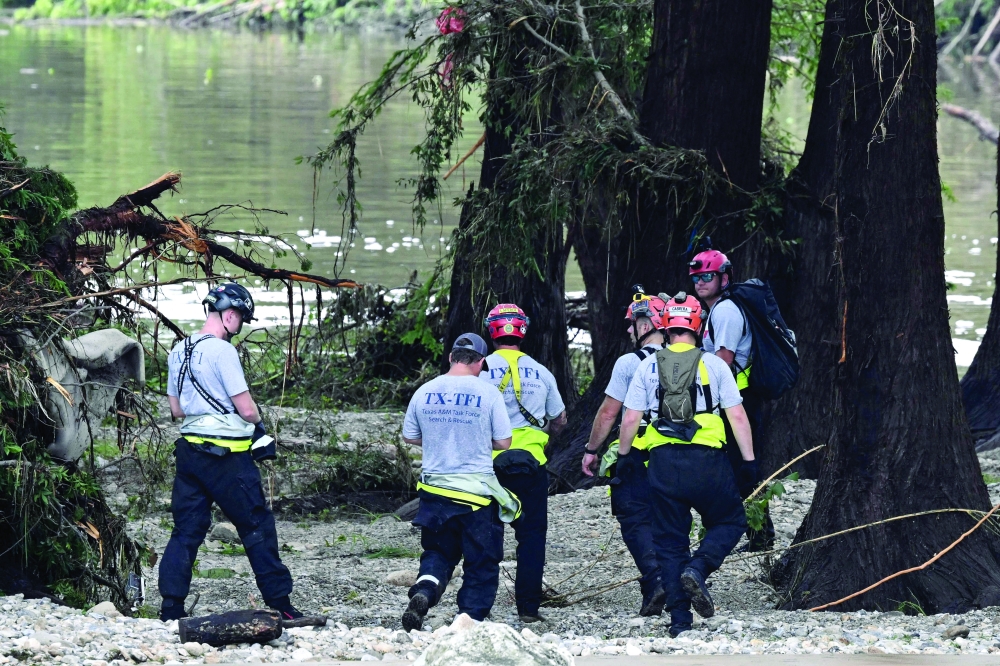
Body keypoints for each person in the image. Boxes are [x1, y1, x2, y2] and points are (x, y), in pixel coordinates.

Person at [159, 283, 301, 622]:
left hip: (190, 454)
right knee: (256, 526)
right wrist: (257, 422)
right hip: (227, 457)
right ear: (230, 314)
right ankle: (281, 604)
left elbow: (176, 410)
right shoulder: (223, 352)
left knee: (186, 531)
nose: (240, 327)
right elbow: (247, 409)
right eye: (242, 320)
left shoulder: (179, 349)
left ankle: (170, 608)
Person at [617, 292, 755, 637]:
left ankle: (680, 620)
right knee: (730, 520)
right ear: (698, 326)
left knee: (668, 541)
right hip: (708, 462)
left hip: (663, 463)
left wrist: (622, 457)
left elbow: (630, 418)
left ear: (665, 326)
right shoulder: (716, 364)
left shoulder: (647, 365)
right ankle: (699, 567)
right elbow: (736, 415)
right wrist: (749, 461)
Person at [400, 333, 519, 631]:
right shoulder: (487, 393)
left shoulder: (425, 390)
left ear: (451, 357)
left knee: (438, 552)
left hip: (434, 491)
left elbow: (410, 436)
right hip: (475, 495)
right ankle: (470, 617)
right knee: (481, 560)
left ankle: (424, 591)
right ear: (480, 362)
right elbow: (505, 441)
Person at [581, 290, 667, 617]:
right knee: (671, 518)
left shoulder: (630, 362)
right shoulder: (692, 359)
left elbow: (608, 413)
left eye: (633, 324)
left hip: (640, 452)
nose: (630, 331)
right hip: (681, 453)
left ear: (647, 324)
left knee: (633, 517)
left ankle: (655, 579)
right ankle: (674, 582)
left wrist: (592, 450)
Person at [480, 304, 567, 623]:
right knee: (531, 538)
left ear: (492, 331)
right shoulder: (542, 372)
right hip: (532, 464)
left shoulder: (480, 368)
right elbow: (559, 420)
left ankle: (478, 606)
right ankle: (528, 609)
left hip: (489, 465)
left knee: (486, 535)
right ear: (522, 331)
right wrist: (542, 435)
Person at [689, 248, 774, 551]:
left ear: (724, 278)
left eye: (707, 276)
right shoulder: (719, 309)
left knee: (744, 465)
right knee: (739, 463)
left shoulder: (724, 311)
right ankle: (756, 532)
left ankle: (760, 534)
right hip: (736, 396)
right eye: (696, 277)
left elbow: (723, 359)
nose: (700, 282)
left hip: (737, 397)